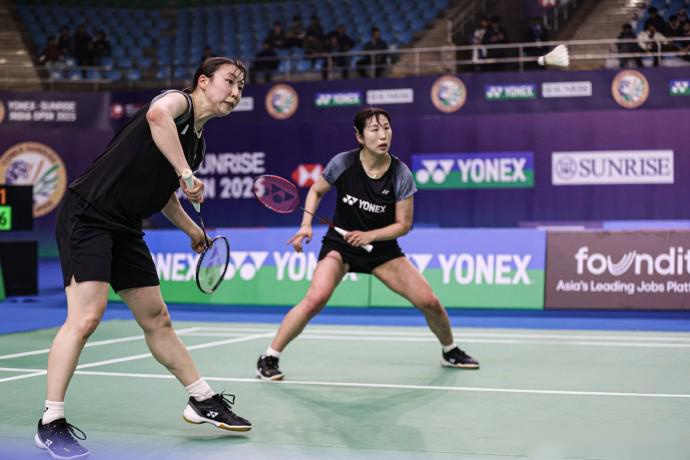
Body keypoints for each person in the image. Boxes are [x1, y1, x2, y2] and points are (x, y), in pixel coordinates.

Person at [35, 57, 252, 459]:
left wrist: (192, 230)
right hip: (89, 214)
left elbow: (164, 195)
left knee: (157, 318)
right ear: (203, 82)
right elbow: (156, 115)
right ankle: (51, 421)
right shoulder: (179, 103)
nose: (236, 91)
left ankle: (201, 399)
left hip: (126, 225)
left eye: (242, 85)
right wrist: (186, 173)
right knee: (86, 317)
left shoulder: (197, 143)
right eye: (230, 81)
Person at [256, 107, 480, 381]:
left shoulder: (401, 174)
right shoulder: (343, 163)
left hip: (382, 250)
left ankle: (450, 350)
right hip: (341, 246)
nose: (383, 135)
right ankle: (269, 357)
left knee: (429, 301)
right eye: (374, 129)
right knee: (315, 299)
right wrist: (305, 225)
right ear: (360, 137)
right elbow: (315, 190)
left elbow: (404, 225)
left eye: (386, 127)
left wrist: (370, 236)